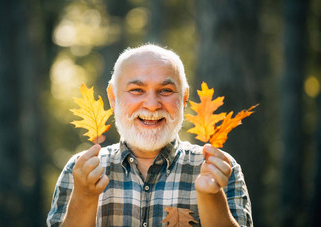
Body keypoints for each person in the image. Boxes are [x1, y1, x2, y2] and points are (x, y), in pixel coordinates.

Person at [46, 44, 253, 227]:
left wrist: (212, 197)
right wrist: (83, 197)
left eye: (165, 90)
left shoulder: (220, 169)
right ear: (113, 96)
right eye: (137, 90)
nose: (152, 105)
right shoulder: (81, 171)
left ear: (184, 98)